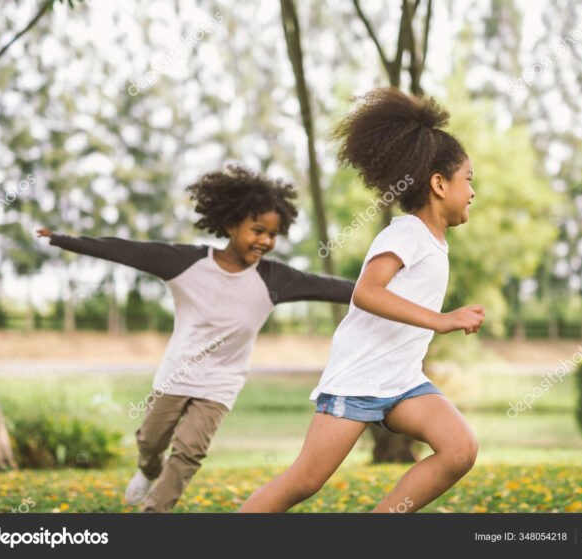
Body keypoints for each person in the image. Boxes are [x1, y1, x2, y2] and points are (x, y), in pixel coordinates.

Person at [37, 165, 354, 512]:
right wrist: (63, 239)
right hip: (177, 373)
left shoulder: (274, 279)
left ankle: (154, 512)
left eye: (273, 234)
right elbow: (128, 251)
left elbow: (329, 287)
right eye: (258, 230)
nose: (265, 241)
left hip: (221, 382)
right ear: (231, 225)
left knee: (190, 450)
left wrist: (381, 290)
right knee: (150, 441)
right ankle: (148, 469)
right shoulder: (185, 262)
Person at [240, 88, 484, 513]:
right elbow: (366, 292)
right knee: (305, 480)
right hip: (359, 380)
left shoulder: (434, 241)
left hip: (403, 383)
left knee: (460, 449)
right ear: (439, 184)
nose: (473, 191)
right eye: (469, 179)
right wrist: (441, 320)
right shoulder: (406, 233)